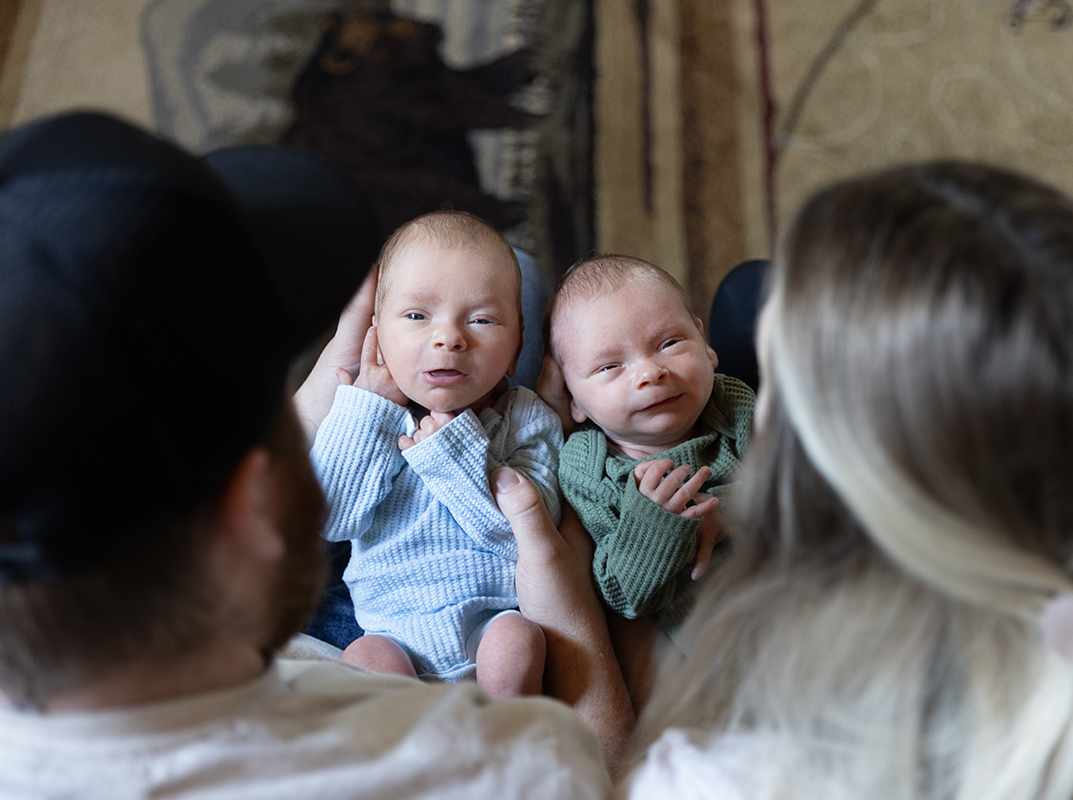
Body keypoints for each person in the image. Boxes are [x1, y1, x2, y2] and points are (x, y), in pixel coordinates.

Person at [0, 110, 631, 796]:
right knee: (524, 272)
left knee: (506, 273)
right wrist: (561, 558)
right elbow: (604, 765)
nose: (448, 338)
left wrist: (331, 391)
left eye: (479, 323)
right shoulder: (529, 764)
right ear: (254, 507)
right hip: (431, 623)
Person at [616, 161, 1073, 798]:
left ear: (816, 478)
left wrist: (565, 546)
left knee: (745, 290)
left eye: (773, 376)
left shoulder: (717, 772)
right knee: (749, 288)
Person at [311, 211, 560, 696]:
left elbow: (529, 538)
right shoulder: (365, 414)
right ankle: (414, 733)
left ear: (517, 348)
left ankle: (505, 724)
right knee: (362, 659)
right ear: (376, 336)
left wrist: (453, 455)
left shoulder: (526, 417)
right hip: (392, 634)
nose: (449, 338)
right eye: (416, 317)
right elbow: (330, 519)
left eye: (481, 319)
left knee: (517, 642)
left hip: (491, 621)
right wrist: (369, 410)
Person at [539, 256, 756, 641]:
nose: (650, 373)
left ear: (705, 346)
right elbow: (623, 595)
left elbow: (804, 485)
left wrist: (727, 512)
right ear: (573, 399)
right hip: (729, 644)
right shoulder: (588, 467)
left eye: (669, 344)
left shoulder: (733, 404)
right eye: (609, 367)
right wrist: (656, 526)